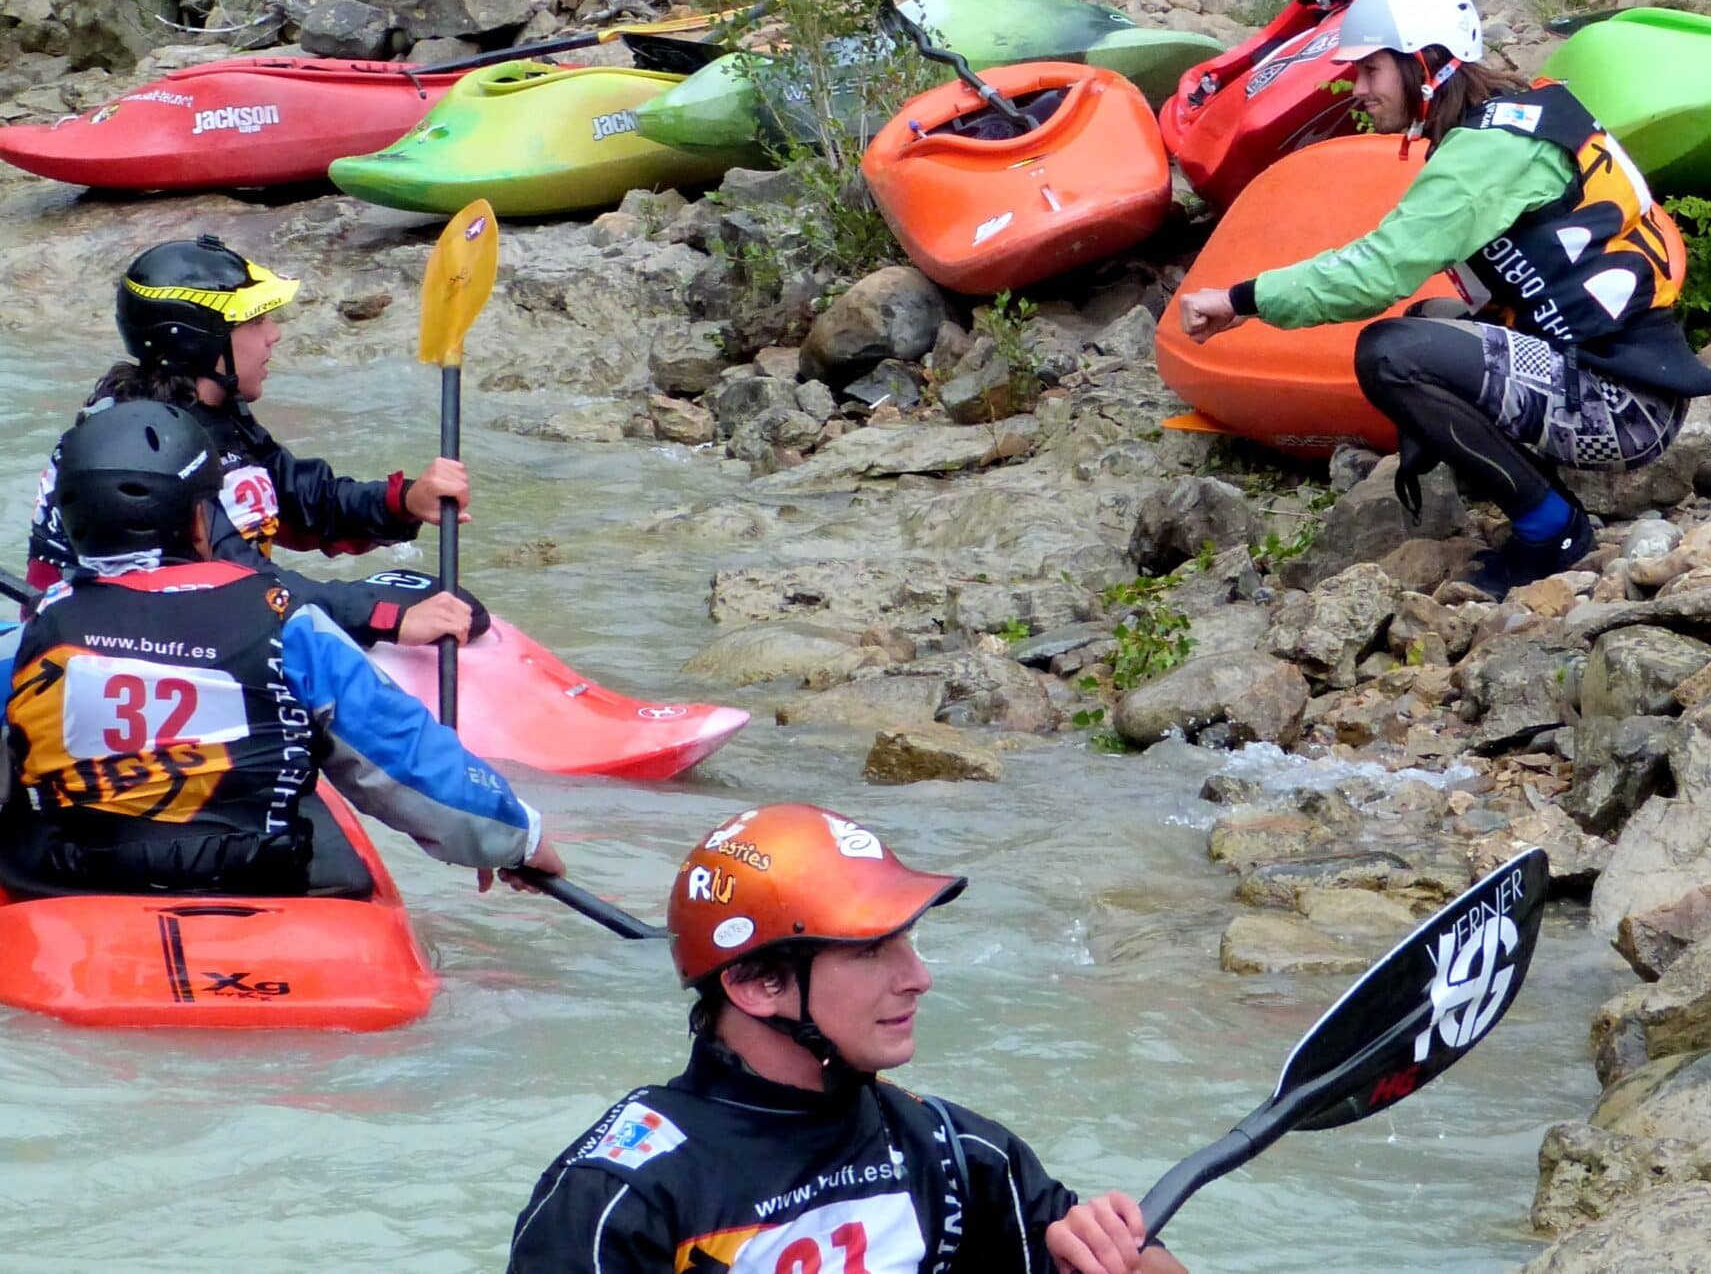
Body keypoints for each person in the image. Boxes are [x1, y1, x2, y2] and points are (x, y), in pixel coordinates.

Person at [1178, 0, 1711, 596]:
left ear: (1427, 63)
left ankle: (1552, 530)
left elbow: (1375, 273)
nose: (1356, 89)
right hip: (1625, 377)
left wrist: (1240, 299)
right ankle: (1516, 488)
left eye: (1370, 71)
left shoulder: (1489, 150)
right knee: (1426, 320)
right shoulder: (1527, 115)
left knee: (1390, 354)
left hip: (1620, 406)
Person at [508, 802, 1189, 1274]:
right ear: (757, 983)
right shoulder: (618, 1195)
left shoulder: (952, 1153)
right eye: (870, 950)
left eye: (908, 941)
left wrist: (1114, 1253)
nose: (918, 977)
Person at [0, 399, 563, 896]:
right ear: (201, 520)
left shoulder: (32, 638)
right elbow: (408, 759)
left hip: (72, 878)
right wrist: (515, 838)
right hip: (254, 873)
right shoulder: (290, 625)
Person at [26, 233, 477, 651]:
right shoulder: (149, 452)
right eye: (256, 320)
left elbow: (304, 502)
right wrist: (384, 618)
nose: (273, 333)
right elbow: (237, 582)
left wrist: (404, 501)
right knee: (396, 609)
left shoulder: (210, 412)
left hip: (205, 614)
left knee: (457, 604)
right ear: (202, 341)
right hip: (117, 643)